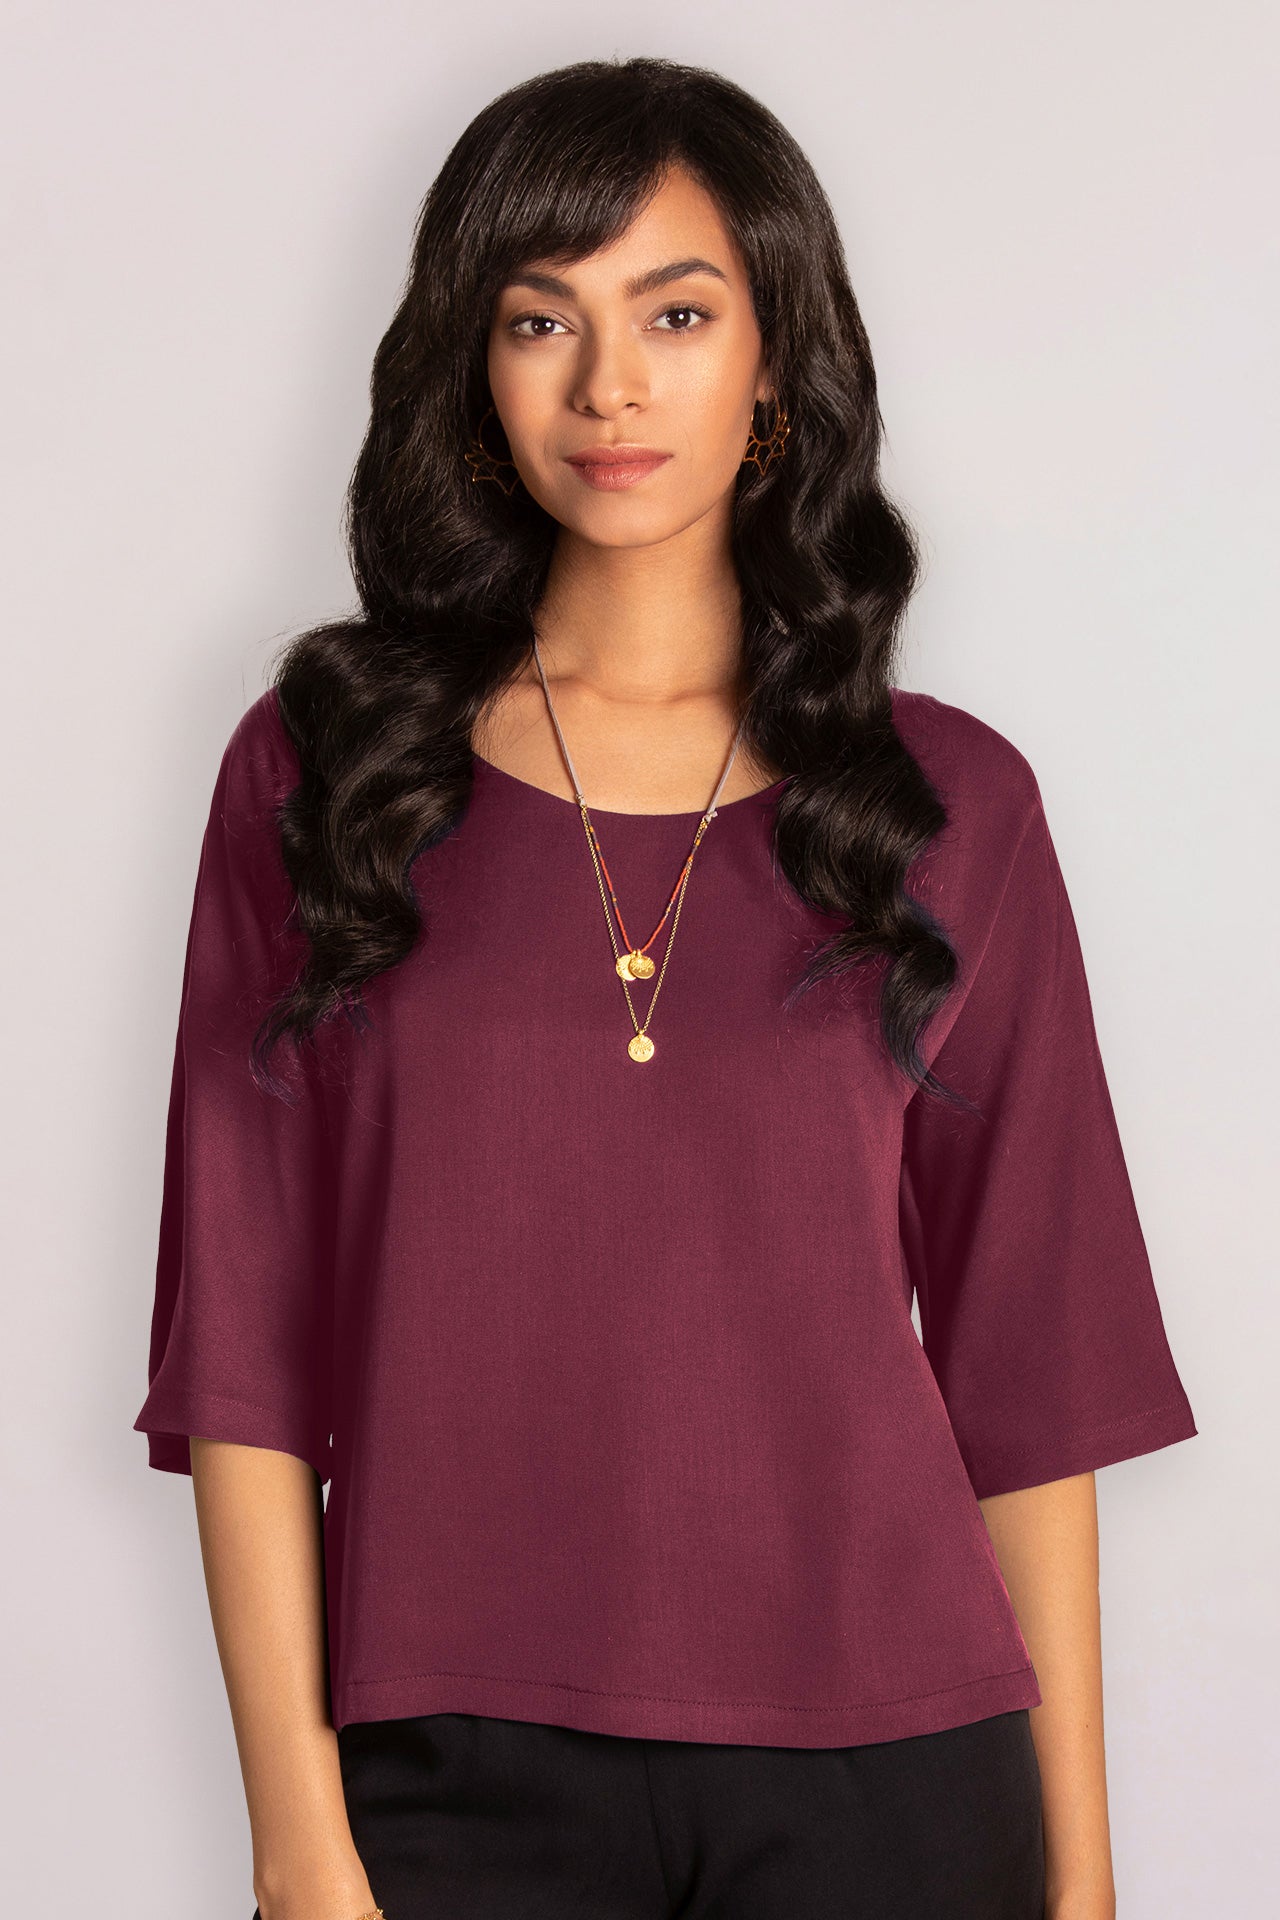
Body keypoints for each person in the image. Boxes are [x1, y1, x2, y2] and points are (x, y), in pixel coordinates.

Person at [133, 55, 1198, 1920]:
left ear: (777, 361)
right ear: (472, 366)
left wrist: (1086, 1882)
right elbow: (241, 1349)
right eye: (541, 318)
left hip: (896, 1777)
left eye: (678, 315)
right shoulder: (327, 777)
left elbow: (1036, 1373)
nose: (609, 385)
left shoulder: (947, 805)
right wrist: (301, 1848)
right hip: (442, 1774)